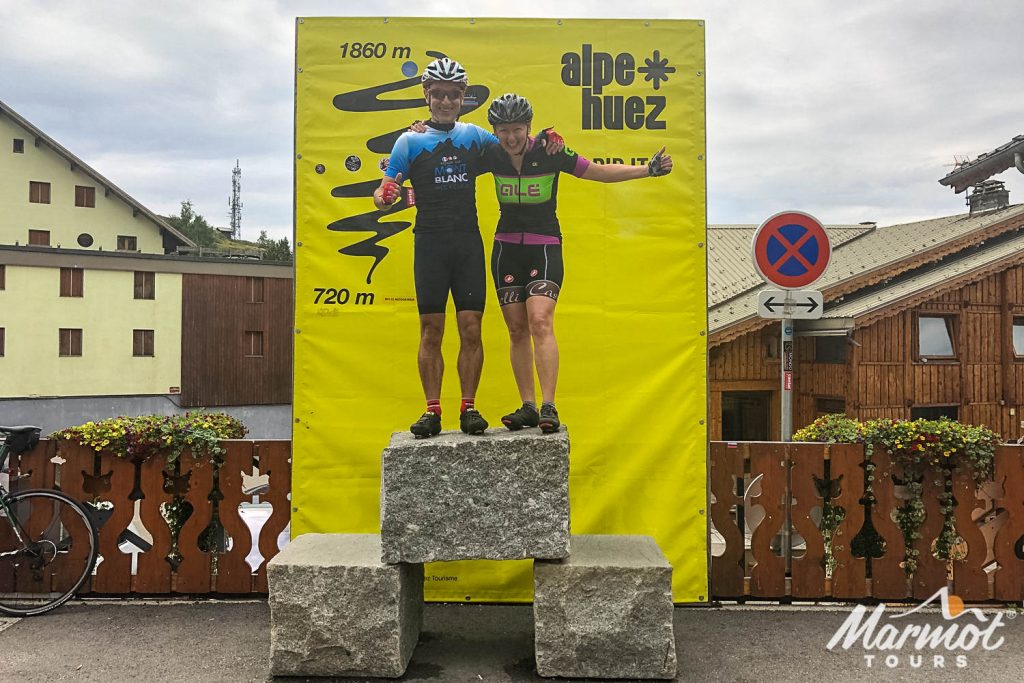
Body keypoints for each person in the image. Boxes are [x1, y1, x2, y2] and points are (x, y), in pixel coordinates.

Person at [372, 60, 562, 438]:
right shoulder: (408, 141)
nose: (444, 101)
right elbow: (384, 189)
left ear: (463, 97)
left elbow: (515, 145)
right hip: (429, 244)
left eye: (452, 94)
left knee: (471, 328)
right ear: (427, 95)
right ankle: (431, 410)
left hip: (467, 244)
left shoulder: (475, 136)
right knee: (430, 330)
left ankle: (468, 408)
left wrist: (546, 139)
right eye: (437, 93)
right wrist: (384, 195)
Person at [478, 93, 673, 434]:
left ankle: (548, 405)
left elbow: (597, 172)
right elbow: (447, 154)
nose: (511, 137)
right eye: (504, 130)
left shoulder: (550, 151)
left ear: (529, 127)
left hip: (545, 247)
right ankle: (527, 406)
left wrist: (647, 169)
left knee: (540, 320)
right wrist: (422, 131)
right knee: (516, 329)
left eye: (517, 129)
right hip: (505, 249)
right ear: (495, 130)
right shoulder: (491, 153)